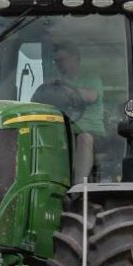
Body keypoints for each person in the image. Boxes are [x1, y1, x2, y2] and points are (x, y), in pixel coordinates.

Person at [34, 43, 104, 182]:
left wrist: (66, 89)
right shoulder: (55, 83)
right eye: (56, 61)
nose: (58, 64)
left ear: (75, 58)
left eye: (62, 60)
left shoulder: (91, 79)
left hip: (90, 132)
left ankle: (77, 187)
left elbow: (91, 96)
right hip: (63, 130)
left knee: (84, 139)